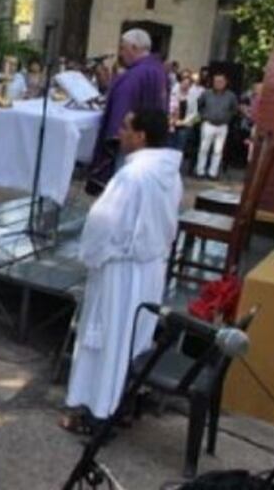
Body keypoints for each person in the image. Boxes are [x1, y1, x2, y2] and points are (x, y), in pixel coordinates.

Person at [61, 109, 182, 434]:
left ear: (141, 136)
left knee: (108, 342)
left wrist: (91, 255)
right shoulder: (169, 172)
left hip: (123, 271)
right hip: (150, 268)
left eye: (126, 127)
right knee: (132, 340)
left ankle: (98, 412)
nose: (120, 131)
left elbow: (103, 222)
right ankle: (123, 404)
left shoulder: (133, 175)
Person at [86, 29, 168, 194]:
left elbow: (121, 110)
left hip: (131, 143)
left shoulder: (134, 75)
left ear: (134, 47)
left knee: (122, 188)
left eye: (123, 48)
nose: (121, 54)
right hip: (150, 141)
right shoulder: (159, 71)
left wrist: (114, 136)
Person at [195, 72, 238, 180]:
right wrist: (204, 116)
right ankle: (200, 171)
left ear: (225, 82)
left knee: (218, 151)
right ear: (213, 82)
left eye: (221, 81)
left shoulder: (231, 96)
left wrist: (228, 117)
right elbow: (199, 105)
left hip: (222, 126)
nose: (218, 83)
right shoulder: (206, 93)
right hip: (208, 124)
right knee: (203, 149)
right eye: (216, 81)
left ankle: (212, 173)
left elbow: (234, 109)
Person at [168, 71, 202, 156]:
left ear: (190, 86)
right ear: (180, 83)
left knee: (179, 148)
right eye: (184, 83)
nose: (185, 85)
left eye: (188, 84)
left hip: (184, 125)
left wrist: (184, 122)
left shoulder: (193, 97)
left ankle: (177, 167)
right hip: (171, 124)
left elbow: (195, 113)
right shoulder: (172, 93)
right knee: (169, 148)